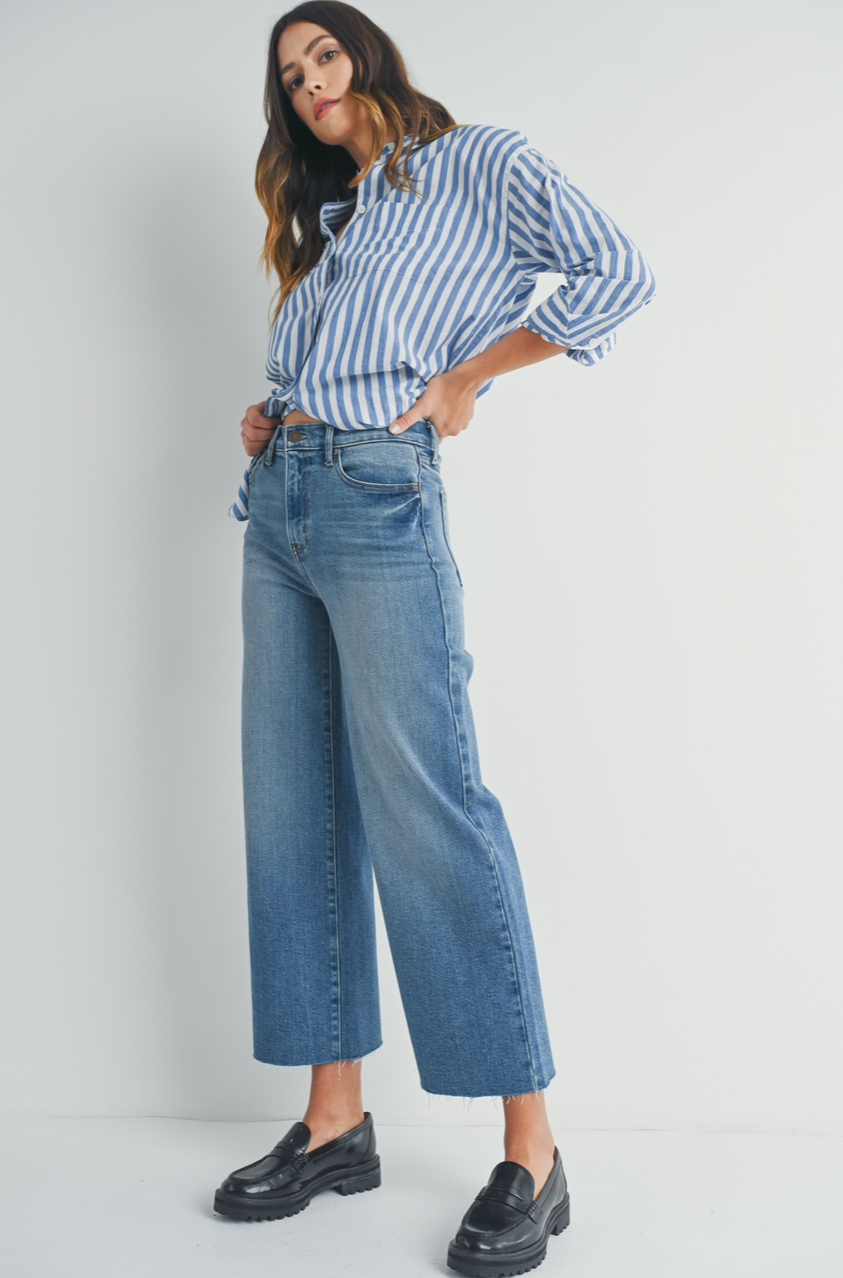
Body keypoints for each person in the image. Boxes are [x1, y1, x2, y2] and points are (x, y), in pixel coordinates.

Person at [213, 3, 655, 1273]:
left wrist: (471, 376)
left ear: (368, 55)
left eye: (324, 55)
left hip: (379, 501)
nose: (311, 84)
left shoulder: (476, 163)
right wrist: (274, 413)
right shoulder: (341, 221)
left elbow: (619, 272)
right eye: (291, 77)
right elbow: (344, 361)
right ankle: (335, 1124)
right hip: (280, 509)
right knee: (296, 808)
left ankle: (534, 1153)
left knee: (430, 805)